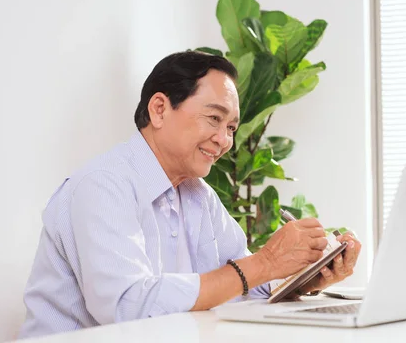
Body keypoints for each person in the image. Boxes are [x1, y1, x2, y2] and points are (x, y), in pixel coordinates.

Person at [18, 51, 361, 338]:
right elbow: (127, 307)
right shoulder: (102, 185)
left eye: (231, 128)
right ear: (159, 110)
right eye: (214, 118)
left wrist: (304, 277)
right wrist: (265, 262)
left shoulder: (199, 194)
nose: (225, 141)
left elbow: (247, 286)